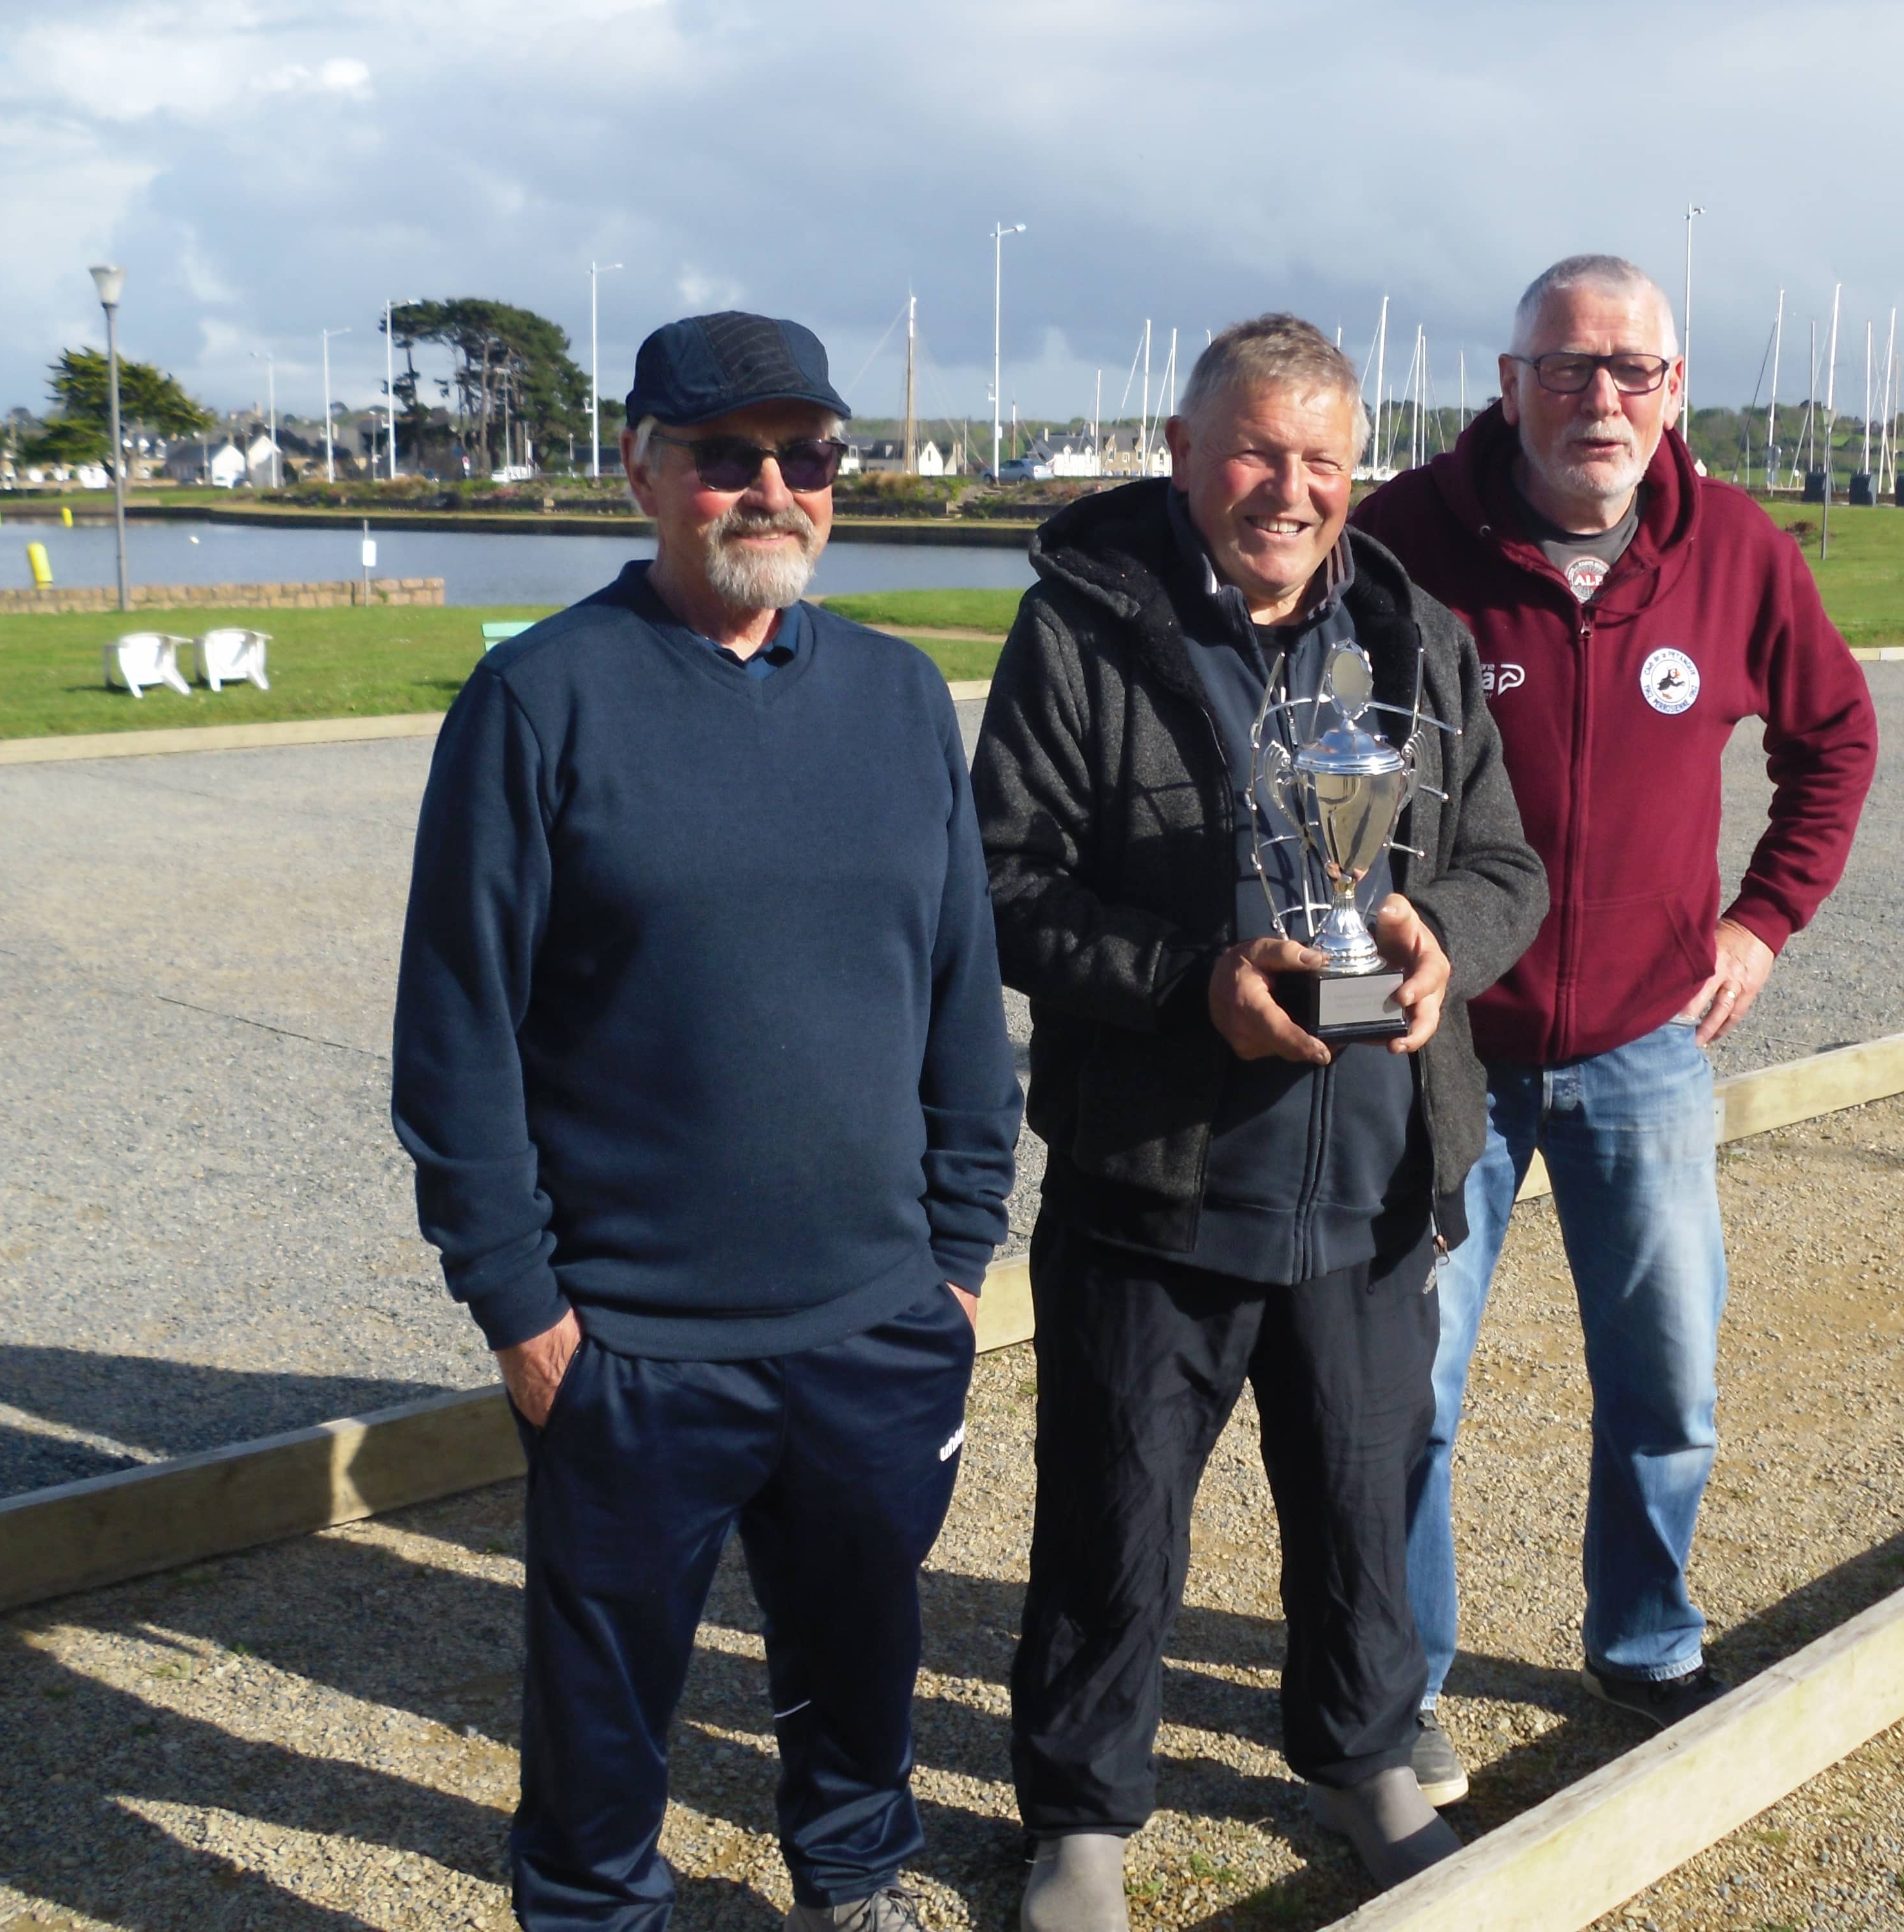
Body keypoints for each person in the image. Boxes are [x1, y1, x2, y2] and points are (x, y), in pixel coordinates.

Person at [391, 310, 1023, 1932]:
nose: (769, 490)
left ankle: (854, 1870)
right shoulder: (540, 703)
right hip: (633, 1339)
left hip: (877, 1318)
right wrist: (522, 1310)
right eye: (723, 457)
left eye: (803, 458)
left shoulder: (894, 696)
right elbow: (456, 1037)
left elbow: (959, 996)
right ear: (641, 471)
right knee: (603, 1704)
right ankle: (596, 1912)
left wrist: (958, 1256)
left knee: (862, 1646)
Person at [974, 314, 1546, 1931]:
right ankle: (1082, 1812)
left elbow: (1507, 865)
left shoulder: (1413, 633)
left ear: (1352, 471)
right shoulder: (1085, 629)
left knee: (1363, 1499)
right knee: (1111, 1508)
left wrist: (1449, 938)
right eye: (1251, 450)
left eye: (1318, 459)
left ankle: (1361, 1757)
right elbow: (1001, 887)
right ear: (1178, 447)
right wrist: (1187, 983)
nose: (1284, 490)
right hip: (1155, 1178)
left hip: (1367, 1177)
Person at [1351, 256, 1877, 1799]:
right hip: (1440, 1047)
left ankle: (1643, 1639)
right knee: (1408, 1393)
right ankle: (1403, 1685)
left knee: (1665, 1379)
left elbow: (1832, 737)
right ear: (1507, 382)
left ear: (1672, 391)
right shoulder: (1403, 542)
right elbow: (1306, 751)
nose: (1599, 397)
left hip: (1644, 1046)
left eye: (1630, 370)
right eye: (1566, 366)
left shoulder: (1733, 554)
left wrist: (1759, 921)